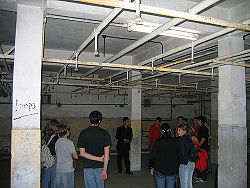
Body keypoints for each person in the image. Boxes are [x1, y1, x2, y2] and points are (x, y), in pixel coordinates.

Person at [77, 110, 111, 188]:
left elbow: (82, 153)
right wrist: (105, 170)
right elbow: (106, 155)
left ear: (90, 119)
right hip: (100, 166)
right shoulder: (105, 133)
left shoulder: (83, 133)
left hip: (87, 166)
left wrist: (98, 159)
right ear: (99, 121)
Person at [149, 123, 181, 188]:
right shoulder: (175, 142)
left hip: (159, 169)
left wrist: (151, 167)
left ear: (161, 131)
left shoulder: (157, 142)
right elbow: (179, 155)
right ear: (170, 130)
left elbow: (152, 156)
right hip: (171, 169)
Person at [177, 124, 195, 188]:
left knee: (184, 184)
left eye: (179, 130)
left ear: (185, 131)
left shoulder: (181, 139)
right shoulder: (190, 138)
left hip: (185, 164)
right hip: (192, 163)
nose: (177, 131)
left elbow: (182, 152)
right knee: (189, 183)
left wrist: (182, 162)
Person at [42, 119, 59, 188]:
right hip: (53, 158)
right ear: (54, 127)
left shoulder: (45, 136)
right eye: (57, 126)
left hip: (47, 158)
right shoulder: (55, 137)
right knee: (54, 177)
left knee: (47, 176)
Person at [196, 116, 209, 182]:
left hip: (202, 149)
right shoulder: (201, 128)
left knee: (203, 164)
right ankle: (199, 176)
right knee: (199, 164)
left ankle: (203, 178)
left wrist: (197, 146)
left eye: (197, 120)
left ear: (200, 120)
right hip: (201, 148)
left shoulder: (203, 128)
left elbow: (203, 139)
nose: (196, 121)